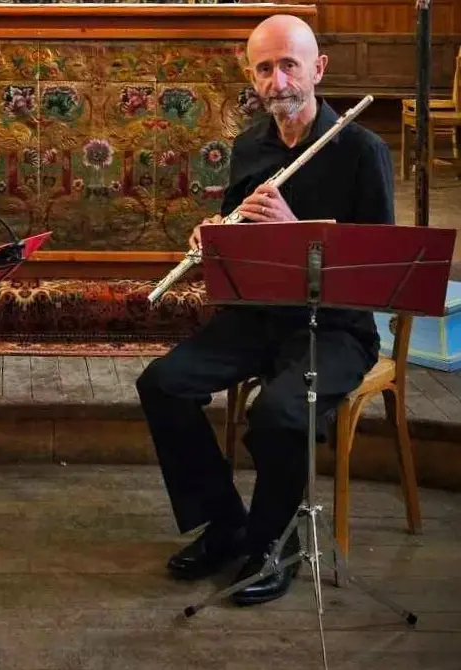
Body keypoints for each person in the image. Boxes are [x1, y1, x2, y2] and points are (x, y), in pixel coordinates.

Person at [136, 14, 394, 606]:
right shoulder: (249, 145)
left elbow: (376, 269)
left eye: (289, 66)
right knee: (163, 383)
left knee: (280, 411)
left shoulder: (360, 148)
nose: (277, 82)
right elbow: (236, 240)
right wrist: (214, 241)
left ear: (318, 69)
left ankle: (274, 543)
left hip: (334, 327)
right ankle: (226, 524)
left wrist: (295, 230)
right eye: (264, 69)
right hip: (259, 316)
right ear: (250, 75)